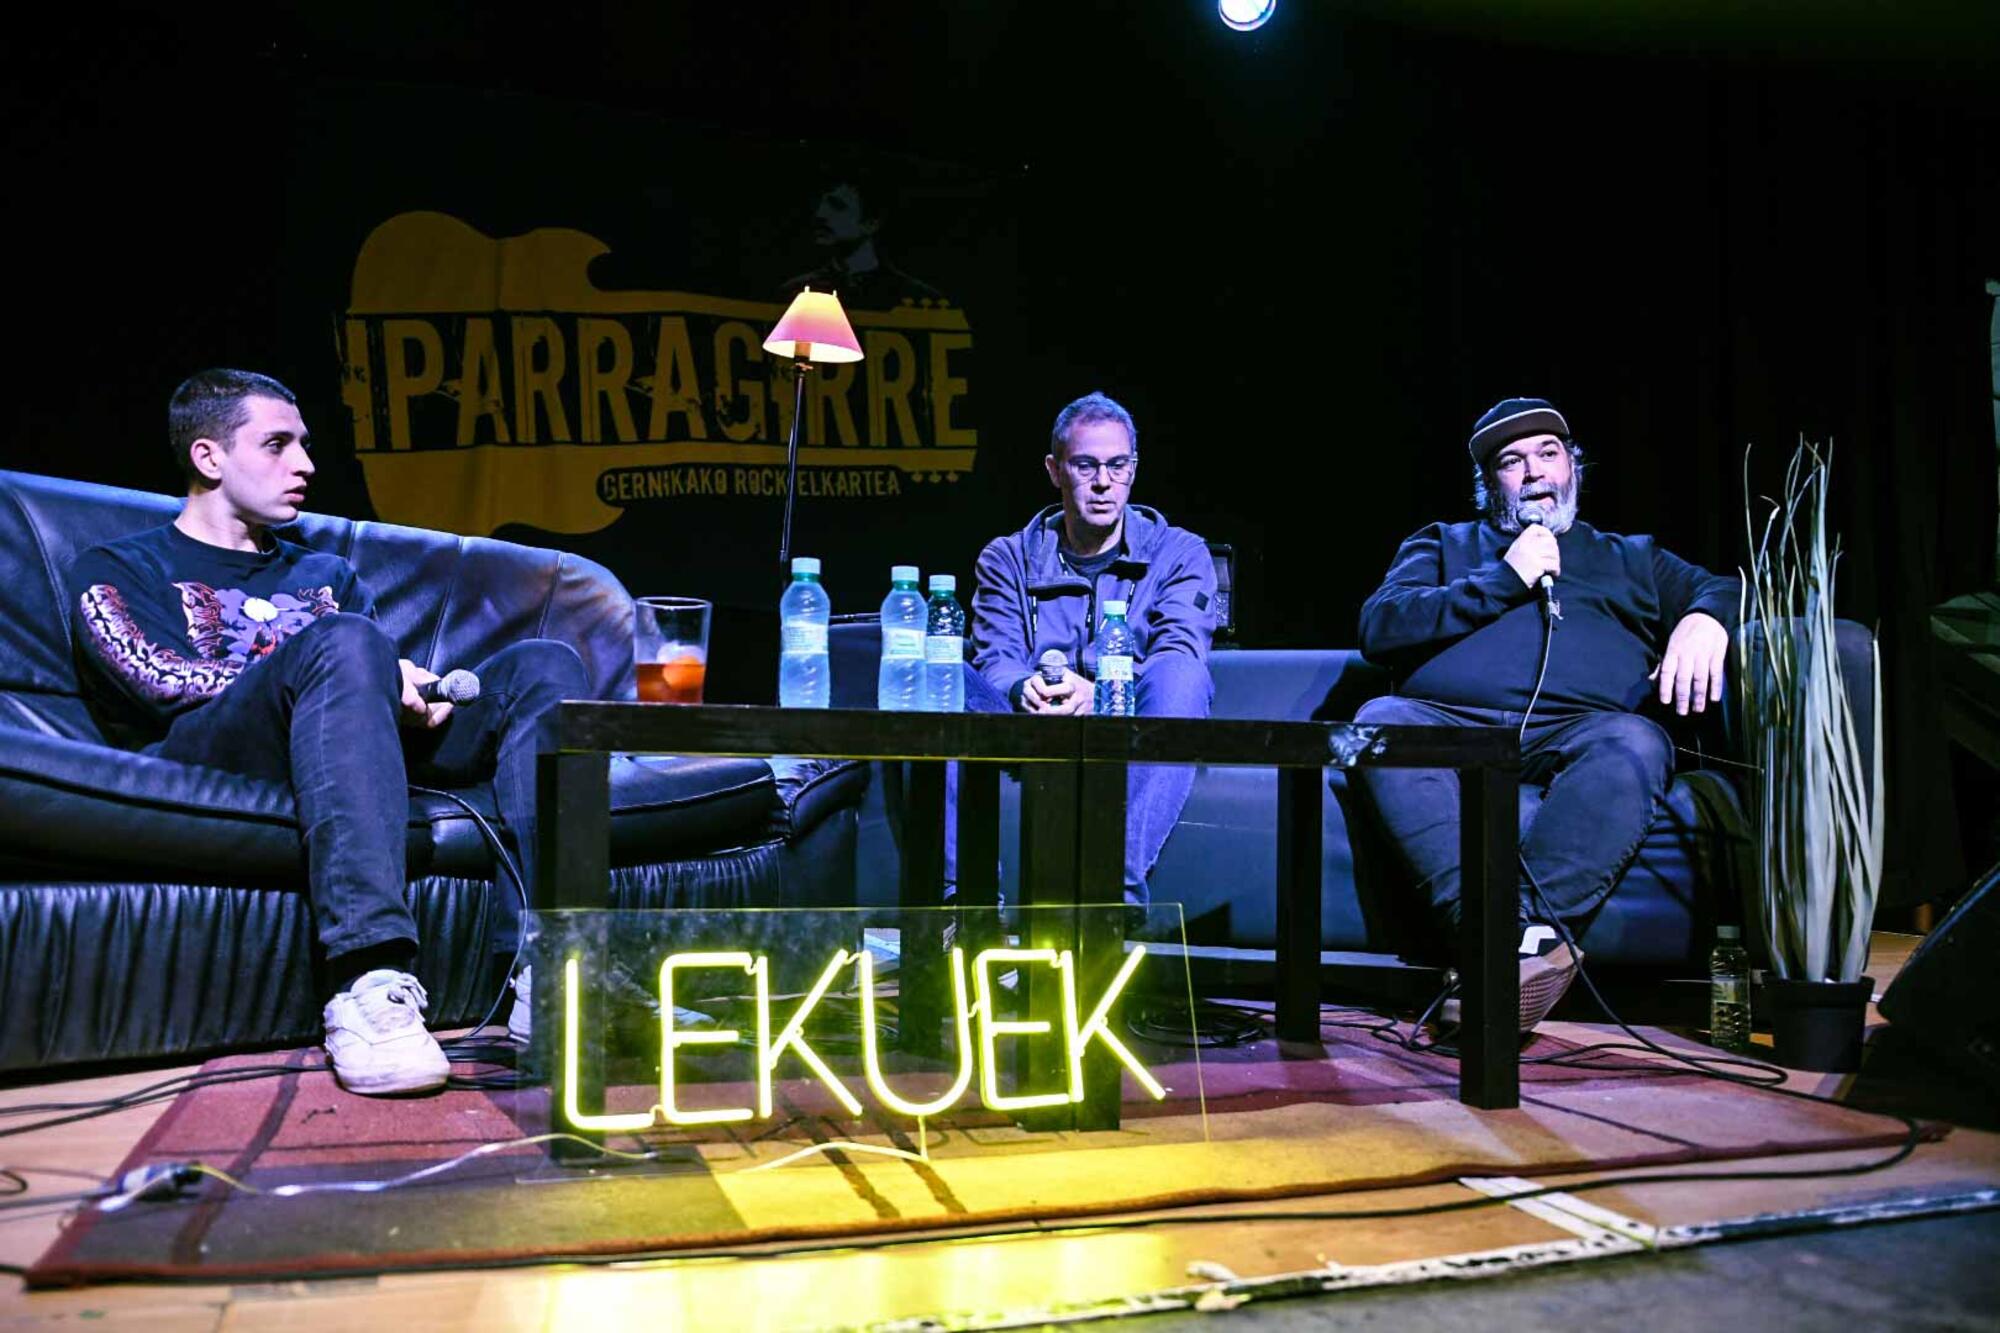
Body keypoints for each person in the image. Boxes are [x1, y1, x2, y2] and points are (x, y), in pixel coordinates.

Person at [66, 370, 588, 1095]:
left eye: (305, 445)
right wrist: (342, 661)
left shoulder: (325, 572)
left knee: (544, 664)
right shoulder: (120, 566)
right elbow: (156, 679)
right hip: (210, 752)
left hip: (338, 741)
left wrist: (402, 685)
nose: (305, 464)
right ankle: (367, 980)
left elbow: (357, 675)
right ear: (209, 458)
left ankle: (557, 966)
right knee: (344, 641)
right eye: (277, 444)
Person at [1349, 397, 1737, 1031]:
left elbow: (1722, 585)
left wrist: (1703, 619)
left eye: (1548, 454)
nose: (1533, 471)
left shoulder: (1630, 556)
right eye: (1511, 461)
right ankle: (1510, 947)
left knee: (1636, 741)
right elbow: (1381, 626)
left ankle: (1502, 947)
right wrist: (1503, 578)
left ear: (1573, 471)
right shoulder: (1444, 545)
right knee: (1383, 717)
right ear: (1488, 484)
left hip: (1584, 732)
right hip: (1453, 724)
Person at [966, 390, 1218, 909]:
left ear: (1133, 469)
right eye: (1086, 466)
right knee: (938, 676)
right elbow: (995, 656)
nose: (1104, 483)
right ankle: (959, 904)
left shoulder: (1180, 553)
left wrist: (1103, 692)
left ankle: (1110, 890)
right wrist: (1020, 686)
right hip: (1029, 729)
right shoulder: (1007, 558)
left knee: (1184, 676)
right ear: (1055, 470)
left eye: (1117, 466)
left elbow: (1179, 648)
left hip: (1130, 731)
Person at [779, 175, 943, 312]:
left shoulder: (918, 297)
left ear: (871, 223)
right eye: (821, 205)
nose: (820, 214)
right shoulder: (796, 291)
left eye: (837, 206)